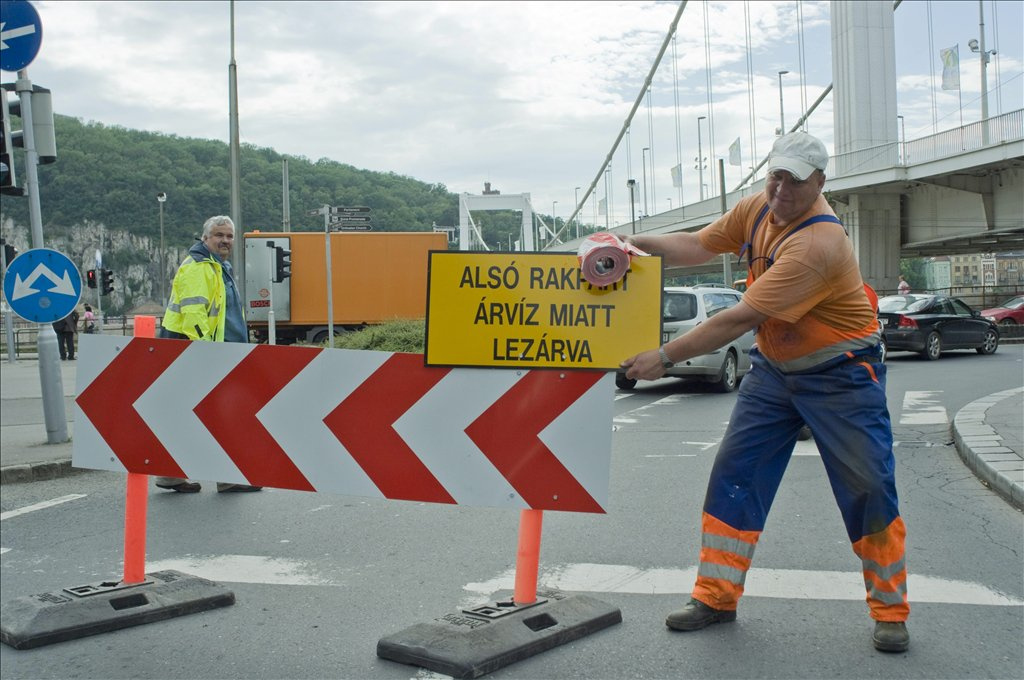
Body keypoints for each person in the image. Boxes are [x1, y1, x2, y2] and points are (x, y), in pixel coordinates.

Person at [620, 131, 910, 653]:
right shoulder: (757, 207)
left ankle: (890, 610)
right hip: (774, 372)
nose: (781, 189)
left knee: (868, 486)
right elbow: (698, 244)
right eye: (775, 174)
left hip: (842, 375)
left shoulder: (819, 244)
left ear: (820, 183)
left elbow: (739, 317)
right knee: (735, 475)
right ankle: (715, 597)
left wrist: (663, 359)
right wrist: (633, 243)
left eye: (795, 180)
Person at [155, 215, 261, 494]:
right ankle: (226, 477)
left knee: (188, 414)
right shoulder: (199, 267)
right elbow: (193, 314)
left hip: (211, 351)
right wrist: (205, 355)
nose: (225, 240)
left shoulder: (216, 267)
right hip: (197, 351)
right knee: (220, 414)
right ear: (205, 238)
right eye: (219, 235)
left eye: (229, 236)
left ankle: (169, 473)